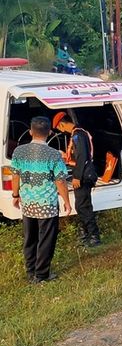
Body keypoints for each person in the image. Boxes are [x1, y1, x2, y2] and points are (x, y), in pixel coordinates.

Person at [10, 116, 72, 283]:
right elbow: (60, 180)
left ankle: (31, 272)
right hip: (47, 205)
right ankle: (42, 275)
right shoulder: (53, 154)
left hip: (28, 203)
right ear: (50, 132)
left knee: (30, 238)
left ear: (30, 132)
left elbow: (15, 176)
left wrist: (15, 195)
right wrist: (66, 201)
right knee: (46, 239)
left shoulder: (19, 151)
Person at [53, 112, 101, 246]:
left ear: (62, 124)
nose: (61, 131)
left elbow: (82, 157)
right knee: (82, 206)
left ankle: (94, 236)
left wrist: (77, 177)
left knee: (83, 206)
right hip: (85, 174)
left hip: (84, 176)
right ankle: (86, 233)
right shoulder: (78, 133)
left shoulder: (78, 135)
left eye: (59, 128)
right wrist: (66, 156)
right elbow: (78, 156)